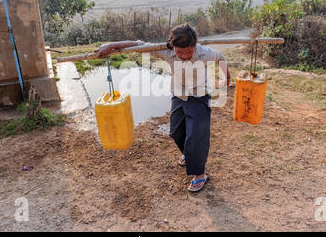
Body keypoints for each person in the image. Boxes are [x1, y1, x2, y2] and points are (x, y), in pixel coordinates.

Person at [95, 23, 231, 192]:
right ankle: (189, 154)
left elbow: (221, 58)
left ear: (194, 46)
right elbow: (139, 45)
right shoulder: (166, 52)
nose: (184, 56)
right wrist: (112, 46)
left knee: (196, 136)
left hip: (199, 96)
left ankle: (199, 174)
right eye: (180, 52)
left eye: (189, 52)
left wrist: (227, 77)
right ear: (172, 47)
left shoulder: (204, 53)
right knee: (176, 131)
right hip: (178, 95)